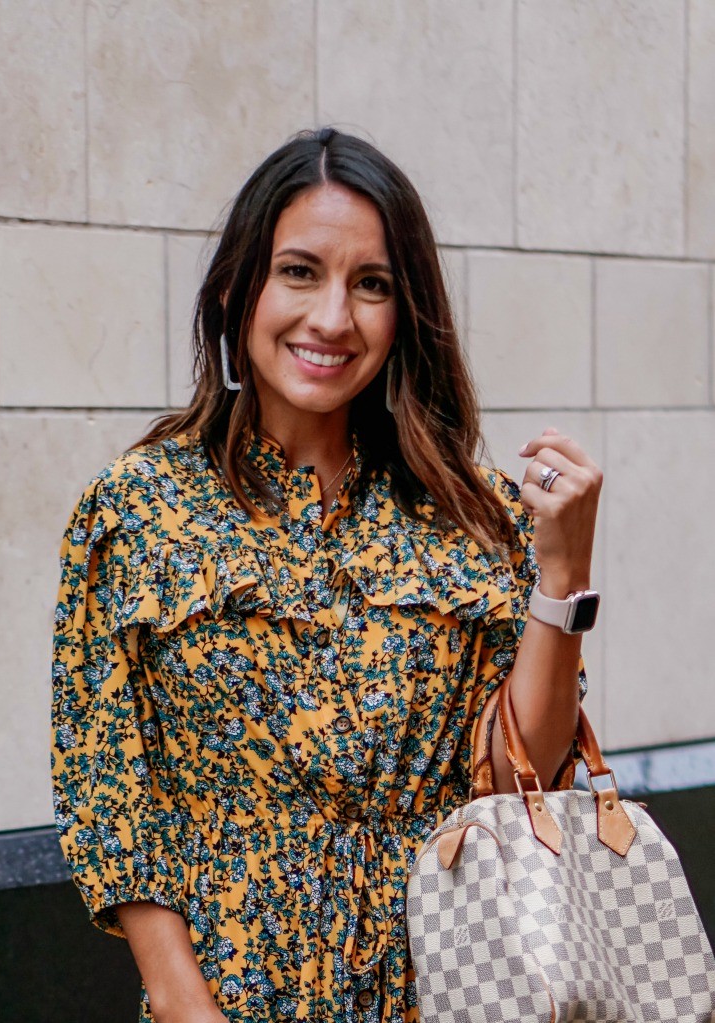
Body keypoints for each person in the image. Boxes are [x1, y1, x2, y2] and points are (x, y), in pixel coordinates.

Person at [51, 127, 601, 1023]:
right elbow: (110, 785)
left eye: (372, 284)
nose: (334, 318)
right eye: (300, 271)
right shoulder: (137, 509)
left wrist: (563, 570)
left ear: (405, 311)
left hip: (450, 985)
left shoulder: (474, 514)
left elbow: (517, 778)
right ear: (239, 288)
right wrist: (184, 1003)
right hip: (228, 995)